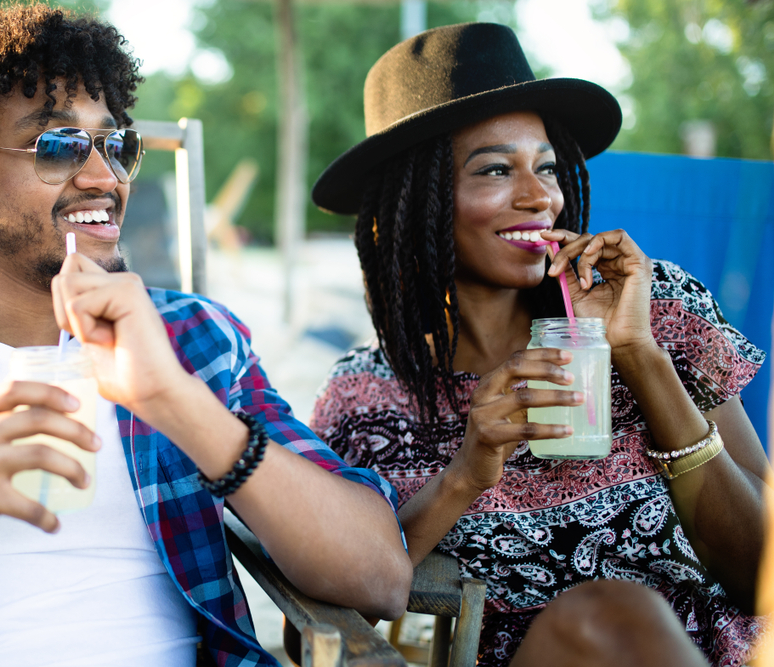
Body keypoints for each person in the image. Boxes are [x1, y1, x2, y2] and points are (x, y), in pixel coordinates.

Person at [0, 5, 413, 666]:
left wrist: (176, 400)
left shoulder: (195, 339)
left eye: (115, 145)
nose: (105, 178)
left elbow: (381, 577)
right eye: (57, 146)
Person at [308, 22, 769, 667]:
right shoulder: (365, 399)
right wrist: (465, 474)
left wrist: (638, 357)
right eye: (496, 169)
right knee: (609, 613)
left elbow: (760, 578)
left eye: (547, 167)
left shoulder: (651, 306)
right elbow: (327, 614)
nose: (541, 198)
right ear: (416, 203)